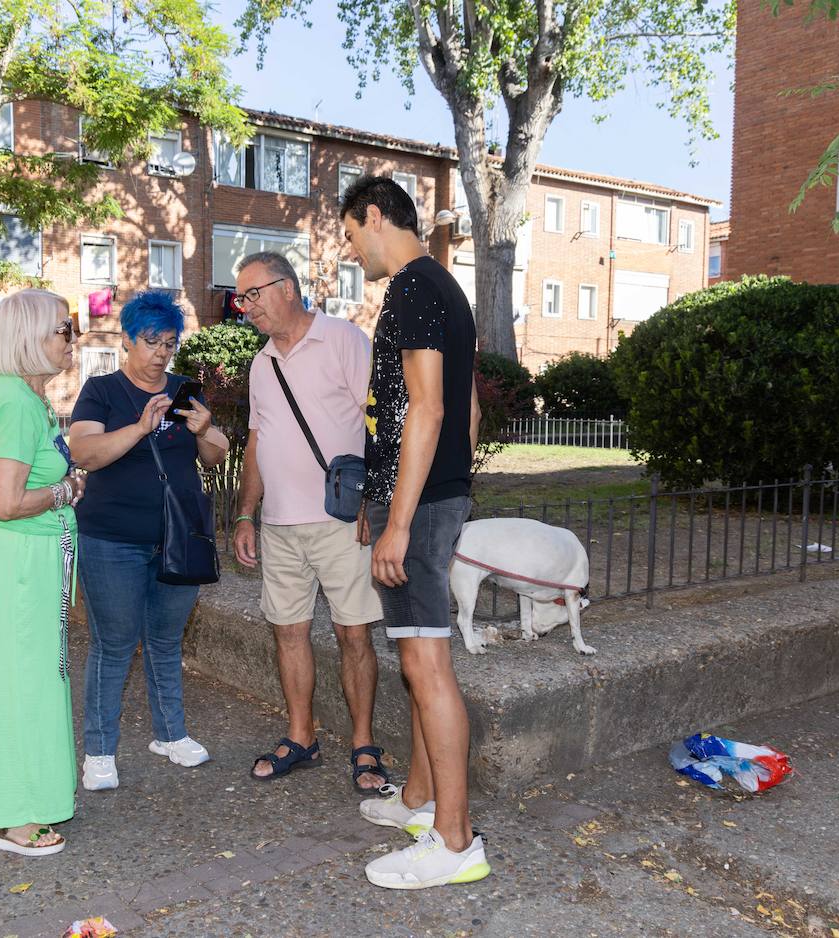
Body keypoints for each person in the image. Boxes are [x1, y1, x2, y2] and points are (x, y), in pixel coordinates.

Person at [339, 175, 489, 889]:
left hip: (421, 504)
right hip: (431, 496)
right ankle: (423, 802)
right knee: (419, 662)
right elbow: (466, 414)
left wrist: (400, 520)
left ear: (373, 217)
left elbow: (426, 413)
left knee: (426, 667)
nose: (351, 250)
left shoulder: (411, 289)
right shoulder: (444, 287)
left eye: (348, 234)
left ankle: (455, 840)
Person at [230, 251, 388, 791]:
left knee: (354, 636)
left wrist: (376, 499)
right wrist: (246, 513)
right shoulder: (261, 363)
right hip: (278, 524)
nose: (244, 307)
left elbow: (382, 417)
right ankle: (302, 736)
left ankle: (365, 744)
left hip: (341, 520)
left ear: (287, 288)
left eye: (252, 294)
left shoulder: (343, 339)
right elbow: (257, 440)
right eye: (241, 298)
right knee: (289, 634)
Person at [68, 291, 230, 791]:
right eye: (151, 340)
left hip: (177, 540)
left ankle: (171, 735)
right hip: (111, 539)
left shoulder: (185, 389)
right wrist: (140, 428)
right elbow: (86, 453)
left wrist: (205, 430)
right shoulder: (102, 391)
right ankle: (99, 751)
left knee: (164, 641)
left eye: (170, 342)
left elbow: (216, 456)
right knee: (114, 645)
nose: (162, 351)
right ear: (127, 341)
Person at [0, 288, 85, 857]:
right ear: (31, 336)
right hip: (17, 562)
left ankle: (33, 798)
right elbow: (6, 502)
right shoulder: (14, 401)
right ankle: (12, 818)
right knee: (19, 684)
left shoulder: (23, 398)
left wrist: (62, 490)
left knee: (36, 679)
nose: (73, 337)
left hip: (26, 561)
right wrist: (65, 489)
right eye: (64, 328)